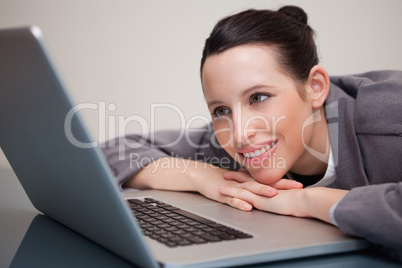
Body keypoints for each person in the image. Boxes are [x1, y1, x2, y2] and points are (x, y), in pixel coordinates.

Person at [102, 6, 402, 261]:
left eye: (258, 97)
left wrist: (307, 201)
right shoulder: (226, 145)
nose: (240, 134)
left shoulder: (390, 115)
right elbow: (114, 151)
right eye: (221, 110)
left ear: (315, 88)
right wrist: (204, 177)